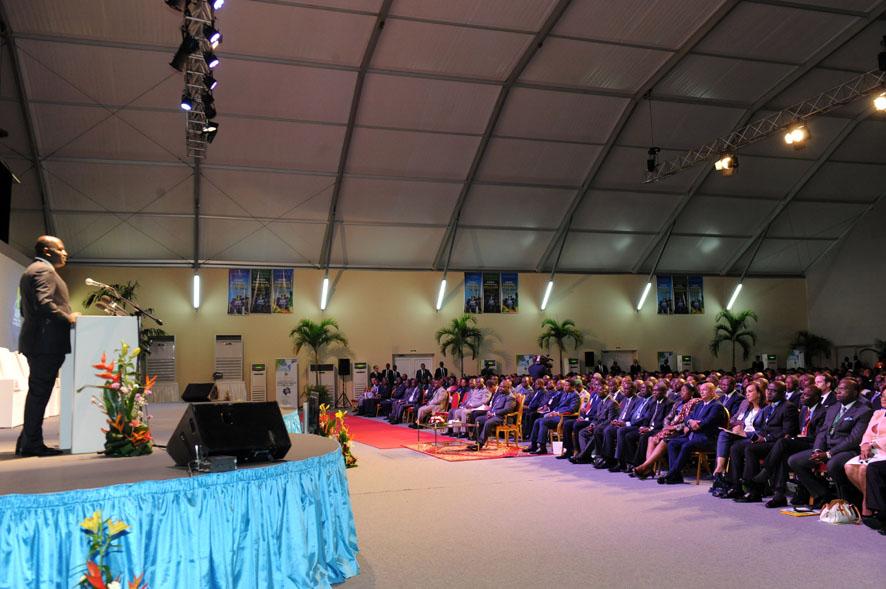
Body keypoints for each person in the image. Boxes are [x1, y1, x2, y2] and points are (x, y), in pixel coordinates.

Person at [16, 236, 80, 457]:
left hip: (38, 341)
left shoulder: (32, 270)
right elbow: (44, 302)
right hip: (45, 343)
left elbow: (25, 309)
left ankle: (26, 441)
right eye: (60, 249)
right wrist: (68, 317)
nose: (65, 253)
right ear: (47, 251)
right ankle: (32, 444)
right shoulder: (44, 270)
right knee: (39, 394)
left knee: (38, 393)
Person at [787, 378, 873, 508]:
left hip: (847, 450)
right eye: (838, 388)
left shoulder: (864, 411)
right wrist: (817, 450)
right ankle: (823, 495)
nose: (838, 391)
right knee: (795, 461)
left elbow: (854, 439)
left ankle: (849, 500)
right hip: (826, 448)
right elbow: (823, 432)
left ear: (855, 392)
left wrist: (829, 454)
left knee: (833, 464)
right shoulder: (833, 408)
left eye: (843, 389)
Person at [731, 381, 799, 502]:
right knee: (736, 447)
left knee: (751, 449)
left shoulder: (788, 407)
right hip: (766, 440)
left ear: (783, 393)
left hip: (778, 442)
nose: (769, 393)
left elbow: (787, 431)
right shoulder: (768, 408)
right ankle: (737, 486)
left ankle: (752, 489)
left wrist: (765, 438)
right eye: (768, 390)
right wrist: (758, 437)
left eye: (773, 391)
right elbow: (763, 428)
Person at [658, 383, 725, 485]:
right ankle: (676, 477)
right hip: (693, 435)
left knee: (686, 445)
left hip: (707, 438)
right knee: (672, 443)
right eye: (700, 390)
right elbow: (687, 417)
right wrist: (691, 422)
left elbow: (708, 421)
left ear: (712, 392)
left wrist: (696, 424)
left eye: (704, 390)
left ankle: (671, 475)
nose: (701, 392)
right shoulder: (700, 404)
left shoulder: (717, 406)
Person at [843, 390, 886, 519]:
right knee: (849, 467)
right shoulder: (878, 413)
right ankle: (869, 499)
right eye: (882, 396)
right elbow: (867, 433)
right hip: (872, 450)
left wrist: (872, 444)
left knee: (863, 469)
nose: (883, 399)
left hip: (883, 451)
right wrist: (865, 444)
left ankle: (866, 505)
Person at [467, 380, 517, 451]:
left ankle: (480, 444)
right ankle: (477, 442)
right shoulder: (500, 394)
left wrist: (493, 413)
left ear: (508, 387)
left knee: (488, 422)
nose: (501, 388)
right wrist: (489, 412)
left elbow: (507, 410)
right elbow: (494, 406)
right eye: (500, 386)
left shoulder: (511, 397)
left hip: (502, 418)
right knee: (478, 419)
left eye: (503, 387)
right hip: (494, 416)